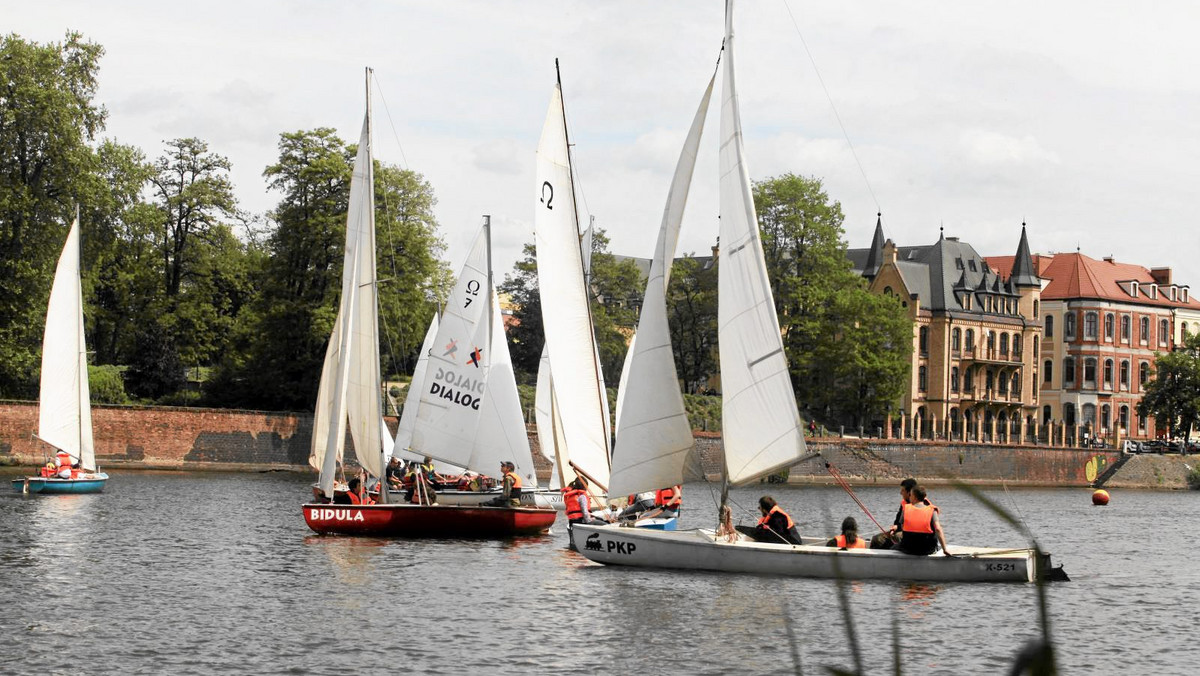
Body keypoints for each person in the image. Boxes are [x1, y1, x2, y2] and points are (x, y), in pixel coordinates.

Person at [896, 486, 950, 556]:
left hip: (908, 549)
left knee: (894, 547)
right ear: (925, 497)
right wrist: (944, 549)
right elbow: (938, 529)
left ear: (914, 497)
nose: (909, 497)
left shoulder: (906, 509)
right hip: (927, 549)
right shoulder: (932, 510)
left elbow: (902, 526)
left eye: (910, 495)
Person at [736, 496, 802, 544]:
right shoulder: (771, 516)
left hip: (792, 543)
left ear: (764, 509)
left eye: (760, 507)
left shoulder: (778, 516)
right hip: (786, 541)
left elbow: (778, 534)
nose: (759, 509)